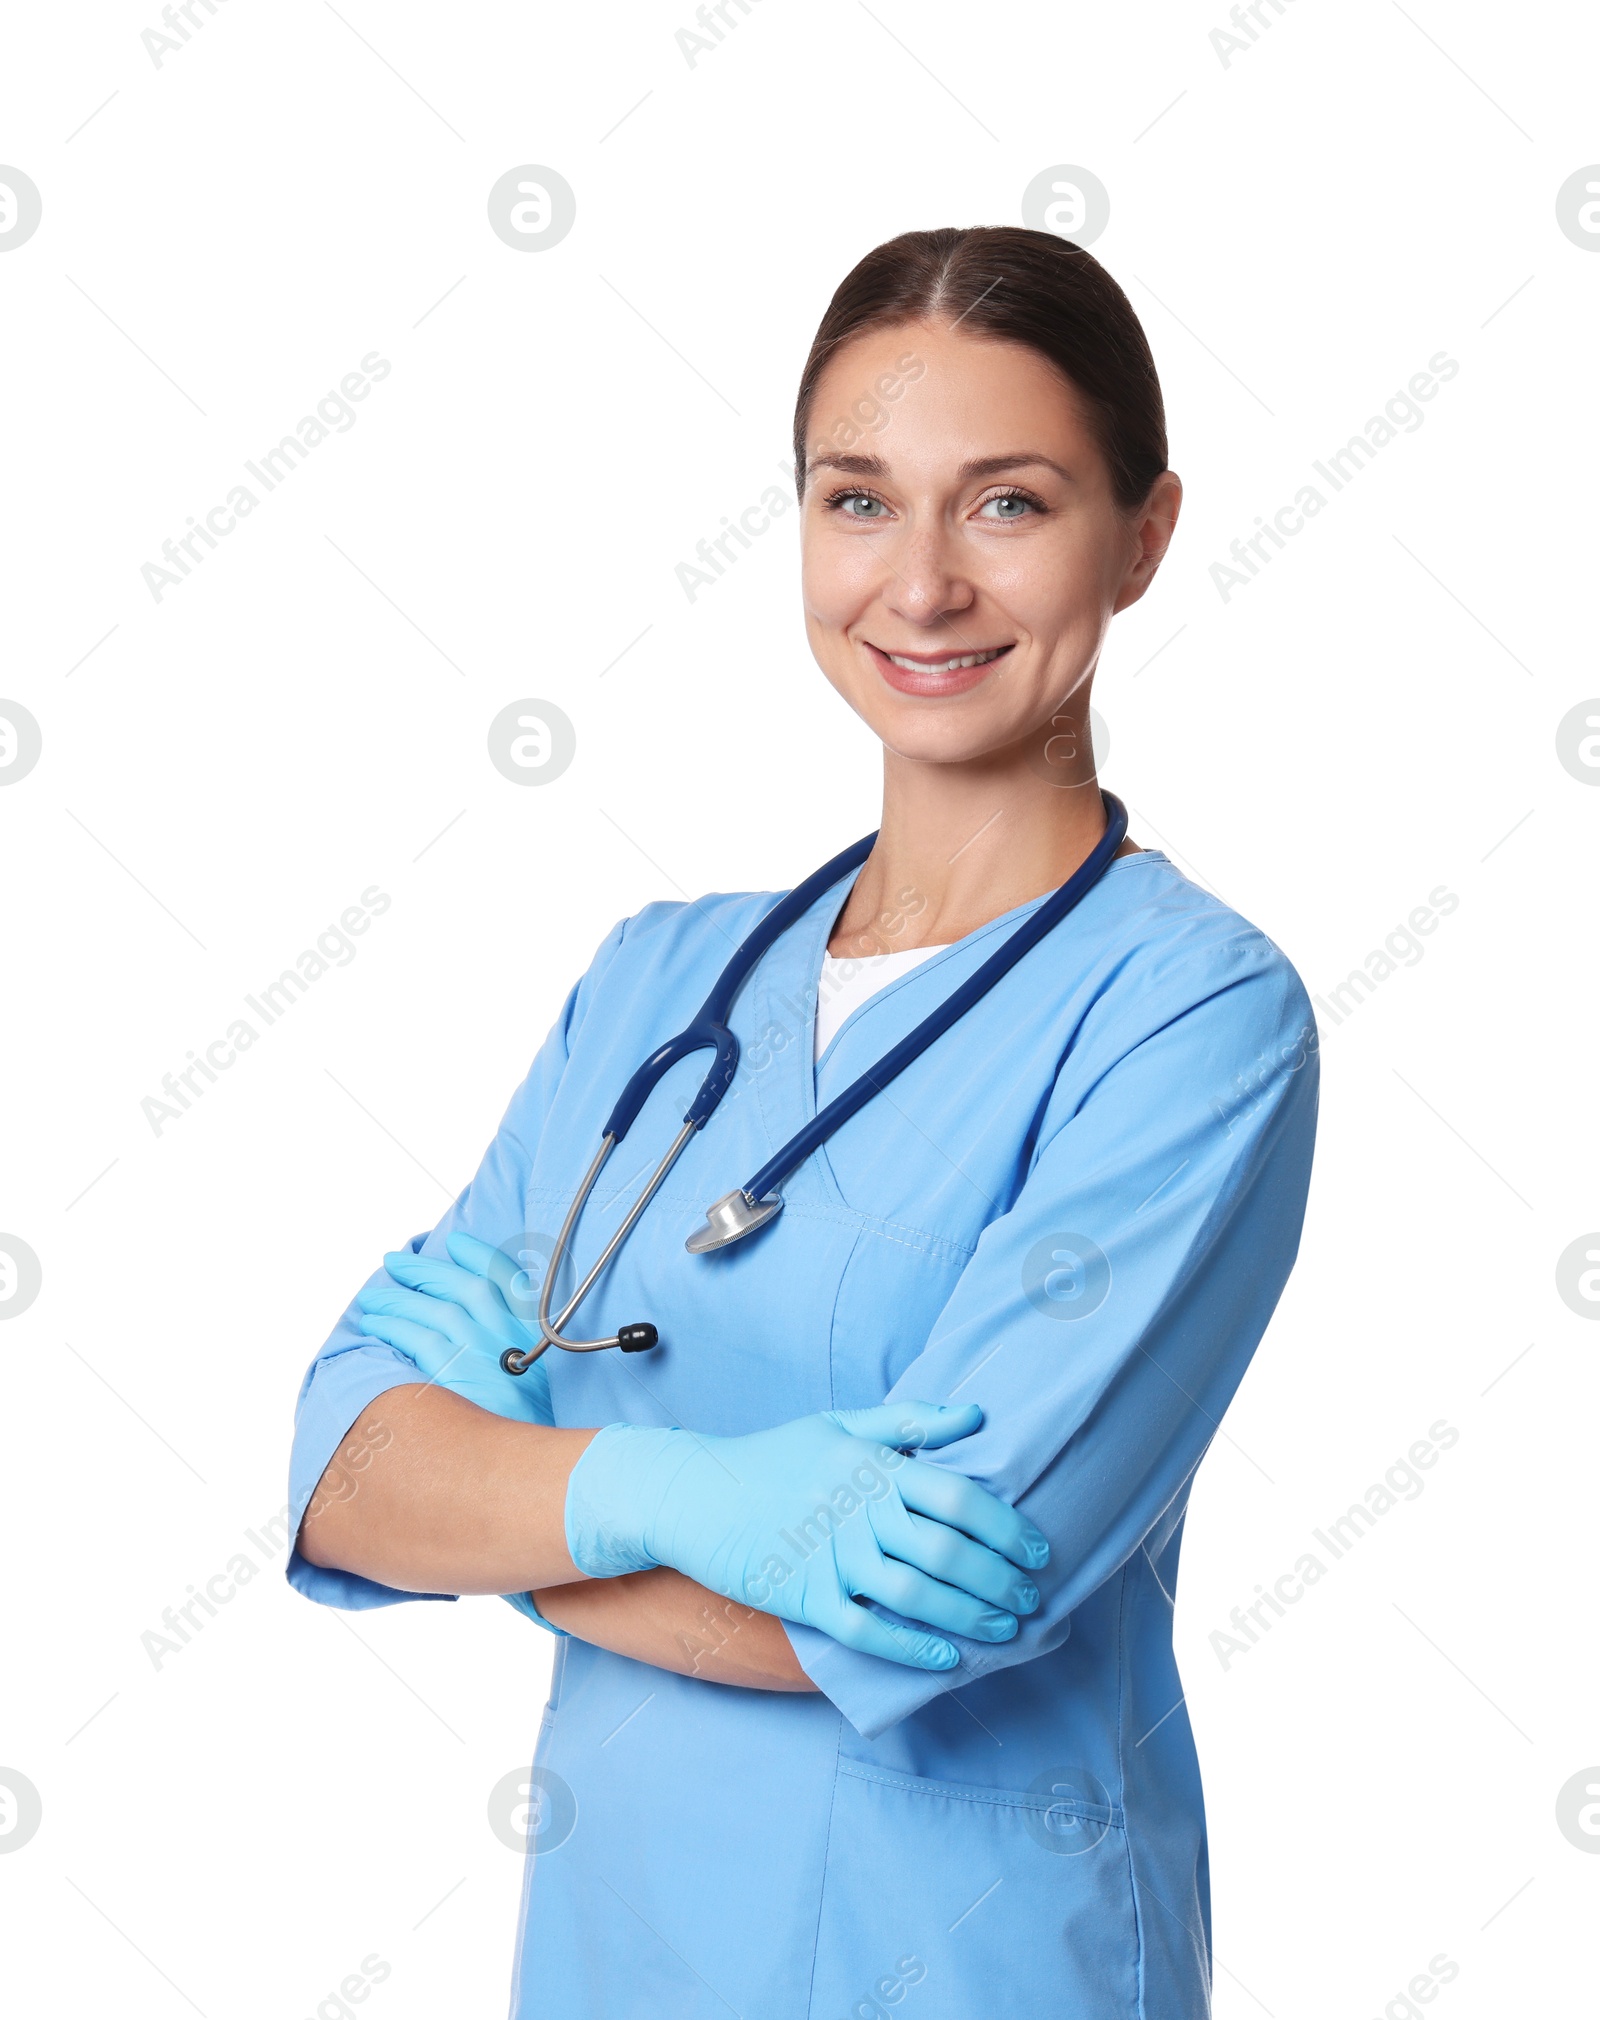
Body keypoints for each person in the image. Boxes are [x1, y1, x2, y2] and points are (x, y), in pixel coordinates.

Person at [289, 224, 1319, 2018]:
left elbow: (915, 1606)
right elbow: (339, 1471)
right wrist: (676, 1492)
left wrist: (518, 1517)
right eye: (858, 501)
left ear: (1142, 536)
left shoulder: (1190, 1018)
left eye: (1006, 504)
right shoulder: (657, 985)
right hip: (614, 1955)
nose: (919, 585)